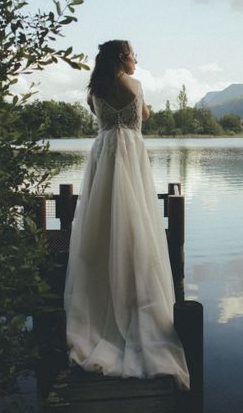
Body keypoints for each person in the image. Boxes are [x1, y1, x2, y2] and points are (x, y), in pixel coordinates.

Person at [64, 40, 190, 389]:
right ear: (123, 58)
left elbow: (108, 118)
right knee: (136, 227)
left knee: (100, 226)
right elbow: (143, 116)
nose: (137, 60)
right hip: (131, 160)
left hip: (104, 159)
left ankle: (100, 300)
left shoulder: (94, 93)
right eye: (134, 55)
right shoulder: (134, 87)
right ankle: (135, 298)